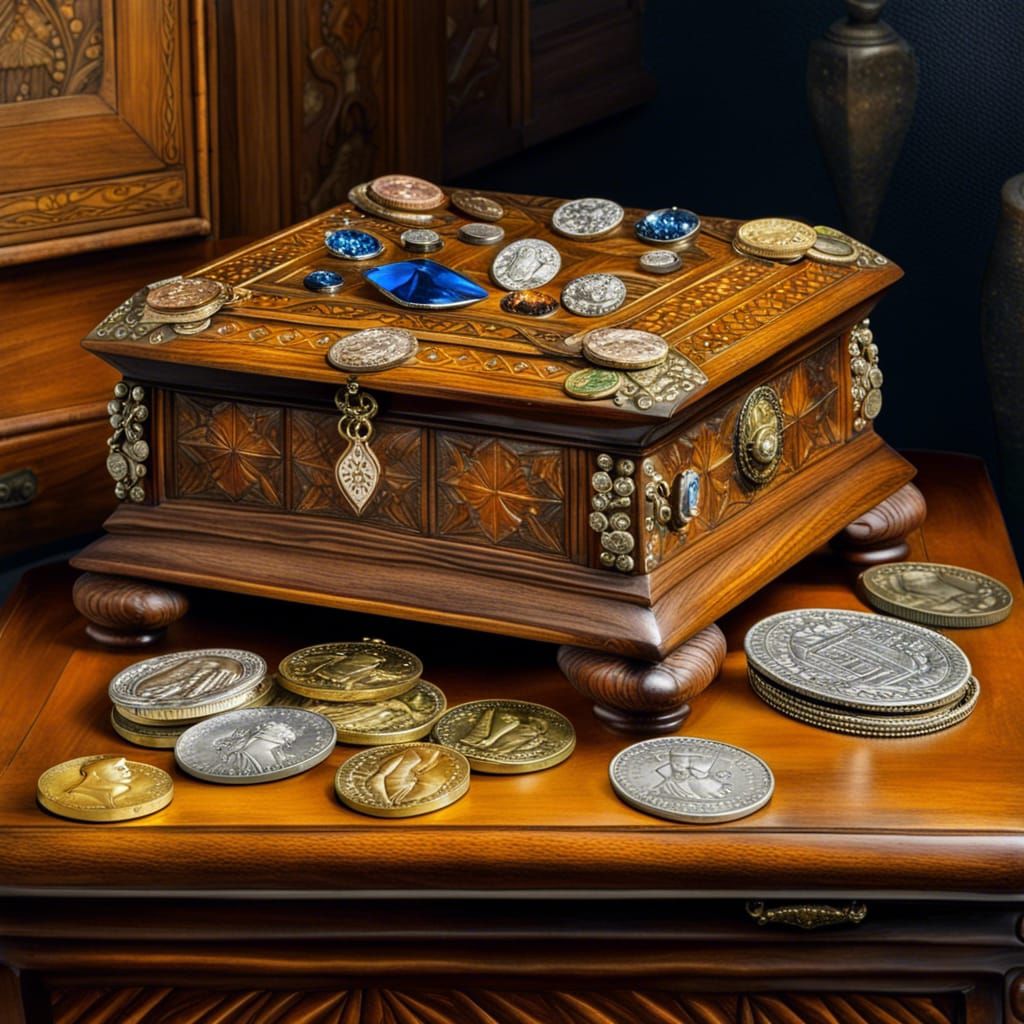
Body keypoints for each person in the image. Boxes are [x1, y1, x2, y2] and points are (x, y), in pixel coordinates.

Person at [63, 756, 135, 809]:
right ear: (95, 774)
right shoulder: (76, 796)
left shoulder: (117, 790)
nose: (127, 770)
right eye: (119, 768)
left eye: (124, 767)